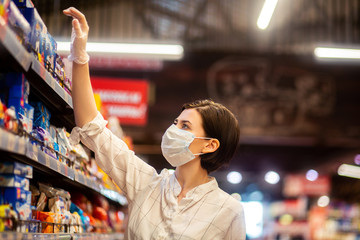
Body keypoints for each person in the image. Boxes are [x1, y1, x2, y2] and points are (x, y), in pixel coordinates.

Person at [64, 7, 246, 240]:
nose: (173, 131)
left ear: (209, 145)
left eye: (185, 127)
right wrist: (80, 56)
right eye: (176, 122)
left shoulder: (228, 212)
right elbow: (92, 127)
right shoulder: (146, 184)